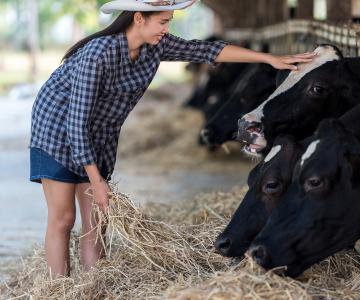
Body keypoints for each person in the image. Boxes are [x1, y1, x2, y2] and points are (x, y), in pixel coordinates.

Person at [29, 0, 316, 278]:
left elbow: (207, 50)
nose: (167, 28)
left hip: (101, 131)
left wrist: (269, 59)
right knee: (64, 217)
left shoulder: (155, 47)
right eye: (163, 21)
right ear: (138, 18)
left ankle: (94, 284)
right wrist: (96, 180)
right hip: (58, 128)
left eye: (169, 22)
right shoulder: (97, 54)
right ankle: (60, 288)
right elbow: (76, 123)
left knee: (97, 220)